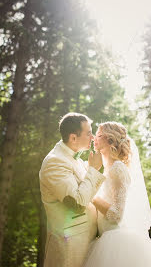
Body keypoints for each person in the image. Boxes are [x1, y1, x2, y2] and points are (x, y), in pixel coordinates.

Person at [83, 121, 151, 267]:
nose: (94, 138)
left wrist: (91, 196)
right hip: (104, 236)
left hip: (115, 241)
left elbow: (116, 215)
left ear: (110, 140)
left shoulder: (118, 168)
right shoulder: (107, 169)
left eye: (99, 135)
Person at [39, 112, 106, 267]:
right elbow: (77, 203)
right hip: (69, 246)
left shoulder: (75, 159)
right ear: (73, 138)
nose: (93, 138)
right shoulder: (54, 162)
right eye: (89, 133)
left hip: (88, 241)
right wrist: (94, 170)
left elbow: (88, 192)